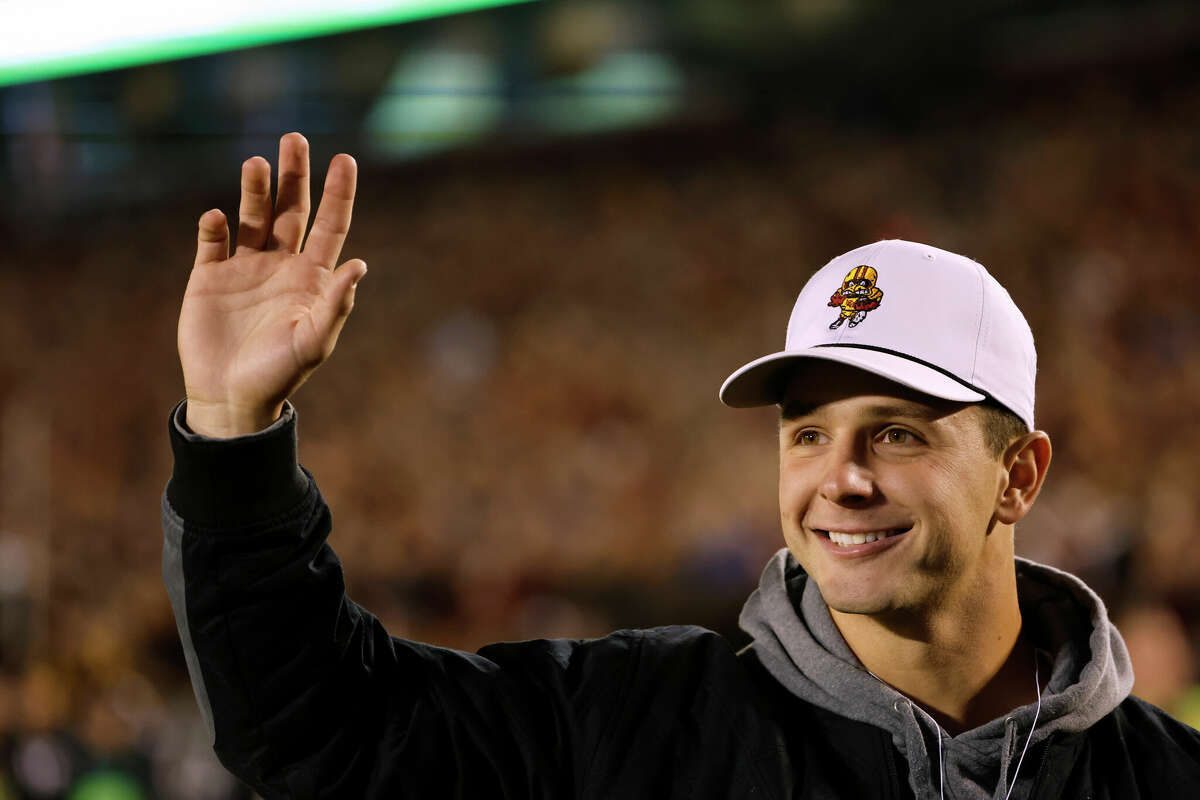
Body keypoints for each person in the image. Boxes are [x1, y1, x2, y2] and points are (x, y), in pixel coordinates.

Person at [162, 133, 1200, 799]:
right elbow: (322, 728)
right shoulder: (639, 723)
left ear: (1020, 473)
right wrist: (232, 429)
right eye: (805, 432)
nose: (838, 475)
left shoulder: (1164, 775)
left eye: (897, 431)